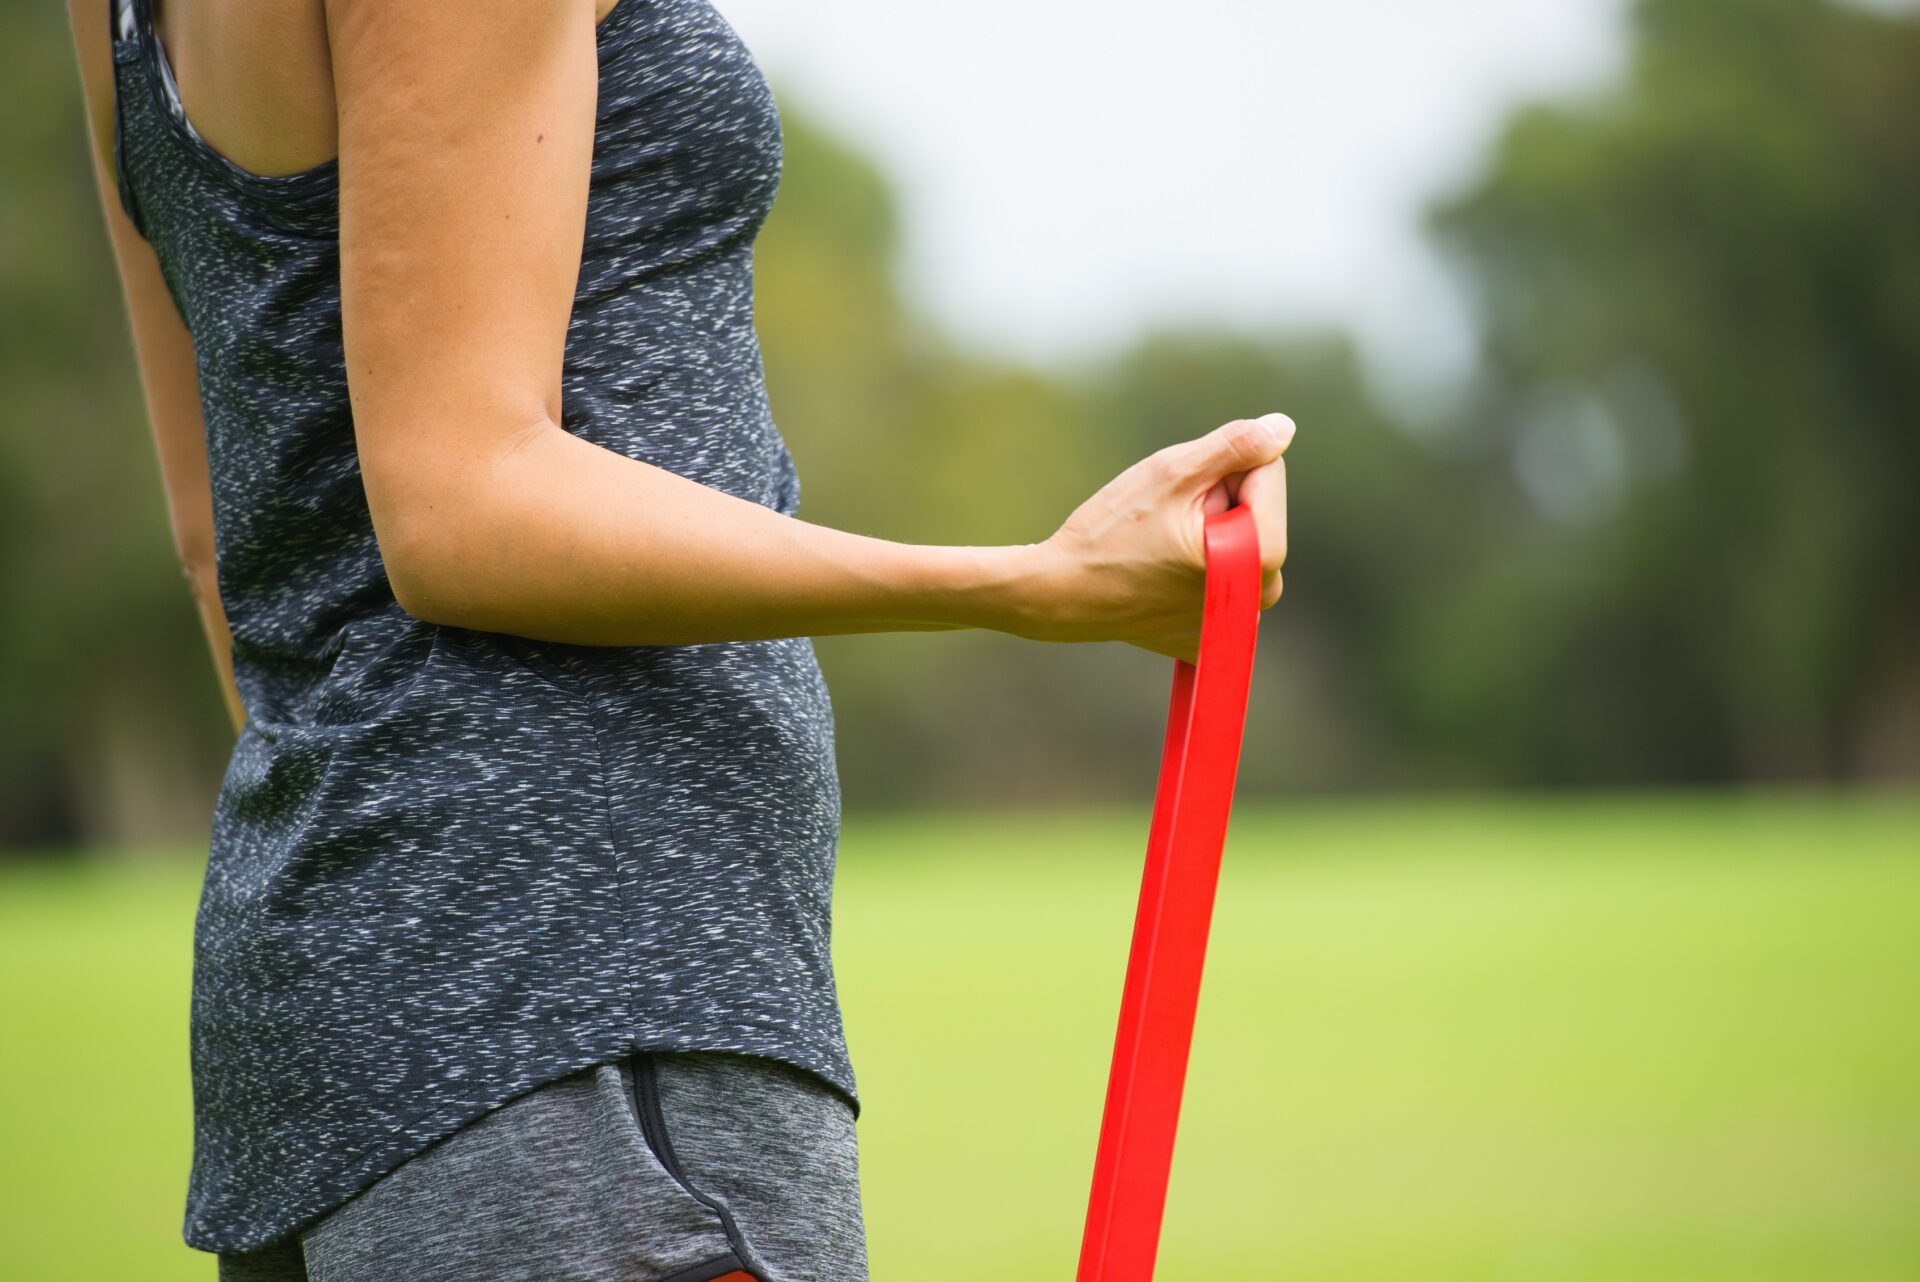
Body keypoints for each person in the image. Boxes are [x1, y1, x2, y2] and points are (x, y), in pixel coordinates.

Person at [66, 0, 1294, 1278]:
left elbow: (225, 540)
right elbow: (457, 503)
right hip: (591, 1048)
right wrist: (1023, 583)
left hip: (327, 1032)